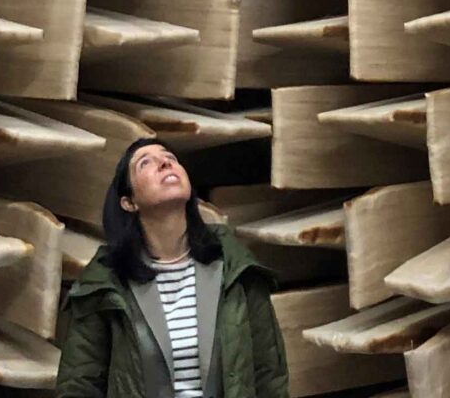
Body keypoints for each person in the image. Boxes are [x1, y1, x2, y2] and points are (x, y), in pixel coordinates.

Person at [56, 137, 289, 398]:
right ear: (128, 202)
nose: (165, 162)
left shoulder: (235, 266)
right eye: (146, 163)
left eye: (171, 158)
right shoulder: (105, 281)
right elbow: (79, 386)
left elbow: (269, 376)